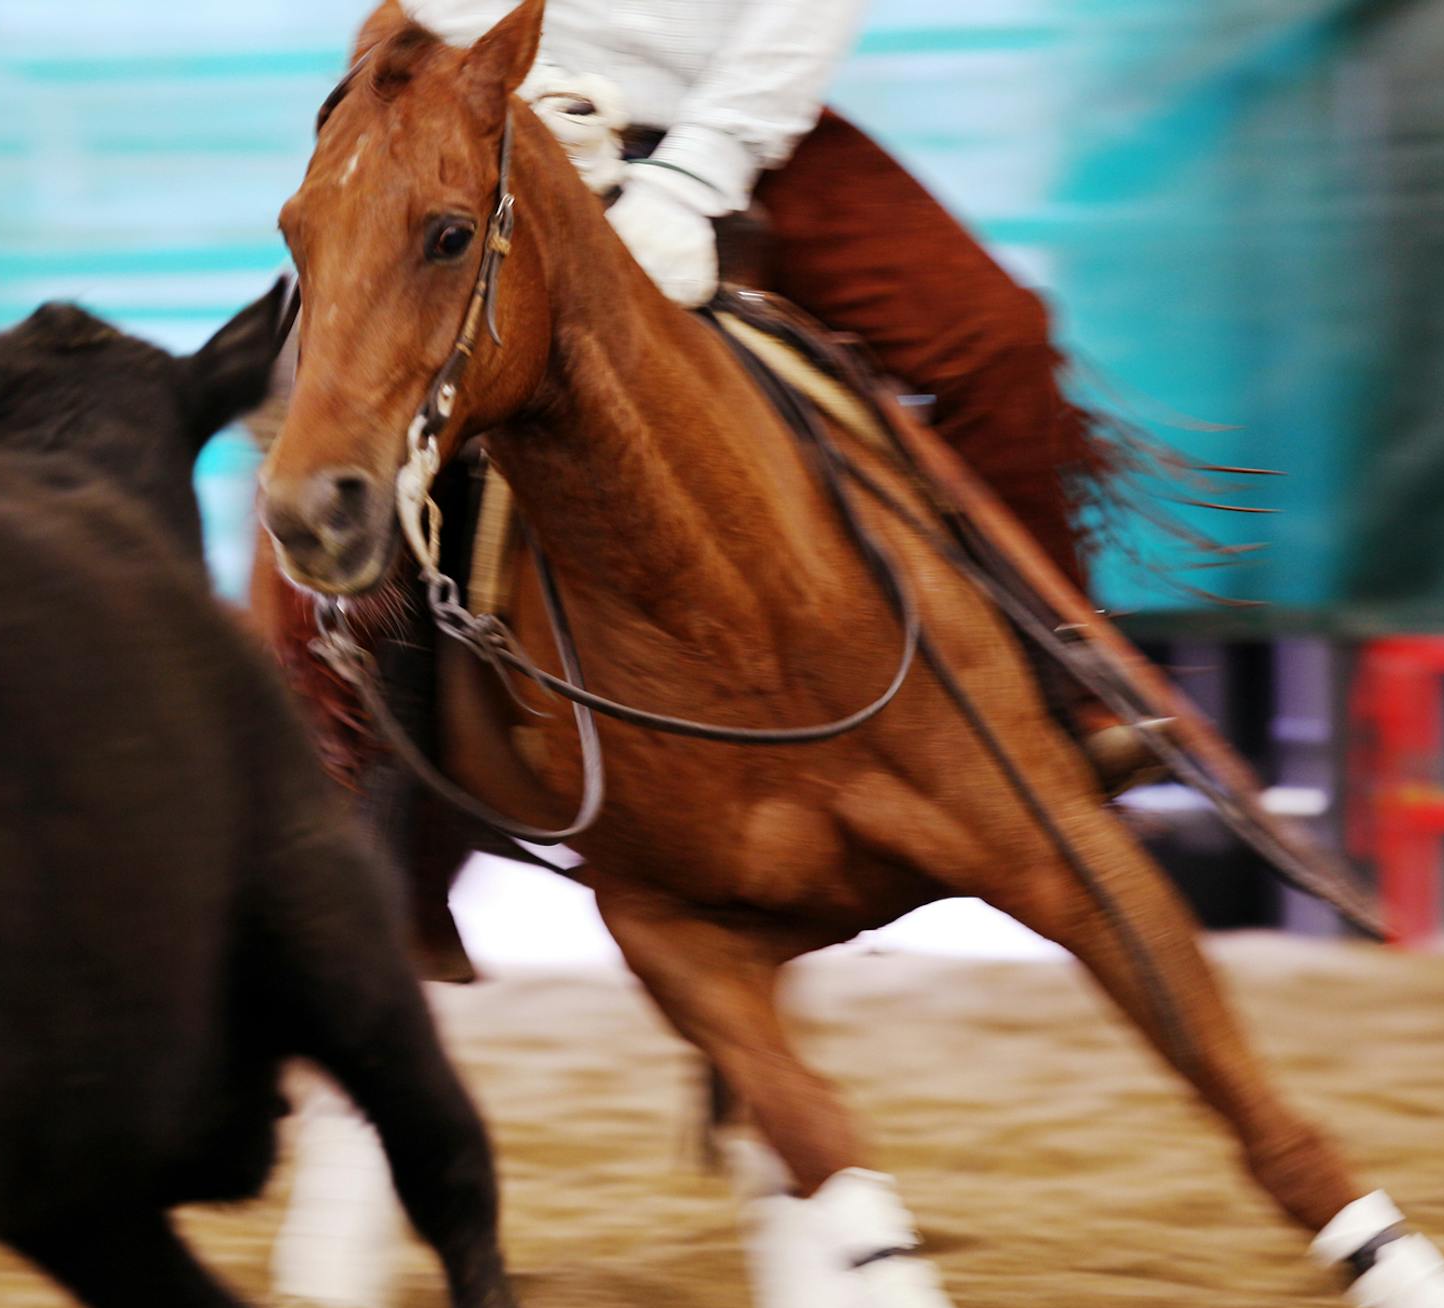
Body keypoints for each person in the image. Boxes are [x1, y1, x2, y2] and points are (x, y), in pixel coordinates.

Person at [382, 0, 1162, 787]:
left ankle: (1058, 681)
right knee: (372, 385)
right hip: (485, 77)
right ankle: (367, 758)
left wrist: (691, 179)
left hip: (729, 112)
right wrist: (541, 92)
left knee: (998, 341)